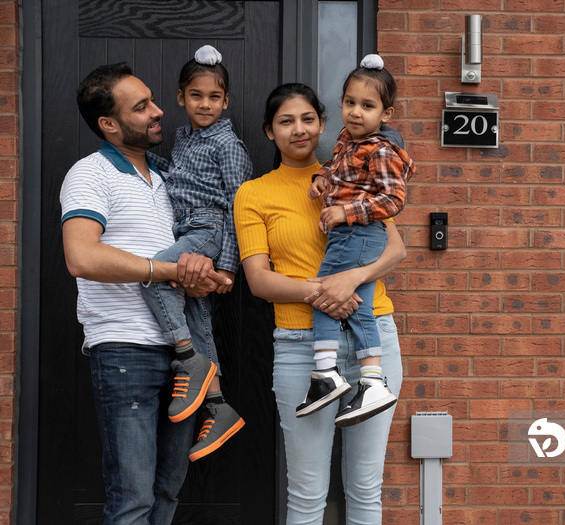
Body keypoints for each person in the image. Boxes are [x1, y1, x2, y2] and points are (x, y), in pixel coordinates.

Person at [60, 63, 230, 523]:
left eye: (153, 100)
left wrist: (205, 273)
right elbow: (82, 257)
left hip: (186, 355)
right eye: (142, 107)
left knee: (167, 494)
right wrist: (165, 270)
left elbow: (189, 255)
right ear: (109, 124)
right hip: (125, 352)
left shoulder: (169, 175)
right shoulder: (90, 174)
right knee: (133, 498)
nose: (158, 112)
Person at [234, 82, 405, 524]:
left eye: (308, 119)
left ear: (323, 123)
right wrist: (324, 291)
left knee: (366, 490)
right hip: (300, 347)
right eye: (285, 121)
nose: (298, 129)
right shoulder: (253, 193)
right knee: (308, 494)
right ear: (269, 132)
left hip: (374, 341)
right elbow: (259, 280)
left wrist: (349, 280)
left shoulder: (349, 175)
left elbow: (396, 250)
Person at [142, 45, 250, 462]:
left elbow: (241, 207)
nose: (205, 104)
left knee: (151, 275)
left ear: (226, 101)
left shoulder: (228, 145)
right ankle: (219, 405)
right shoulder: (185, 137)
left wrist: (227, 267)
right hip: (187, 223)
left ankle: (188, 358)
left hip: (208, 227)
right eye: (197, 95)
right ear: (180, 97)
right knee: (195, 309)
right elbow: (183, 178)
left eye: (215, 97)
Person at [300, 54, 415, 426]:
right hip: (351, 235)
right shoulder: (348, 140)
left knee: (325, 295)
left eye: (367, 106)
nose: (355, 112)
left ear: (387, 113)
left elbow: (393, 200)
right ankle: (370, 380)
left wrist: (344, 212)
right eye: (350, 103)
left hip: (358, 233)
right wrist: (322, 178)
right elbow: (338, 171)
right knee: (358, 305)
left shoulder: (381, 149)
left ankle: (326, 373)